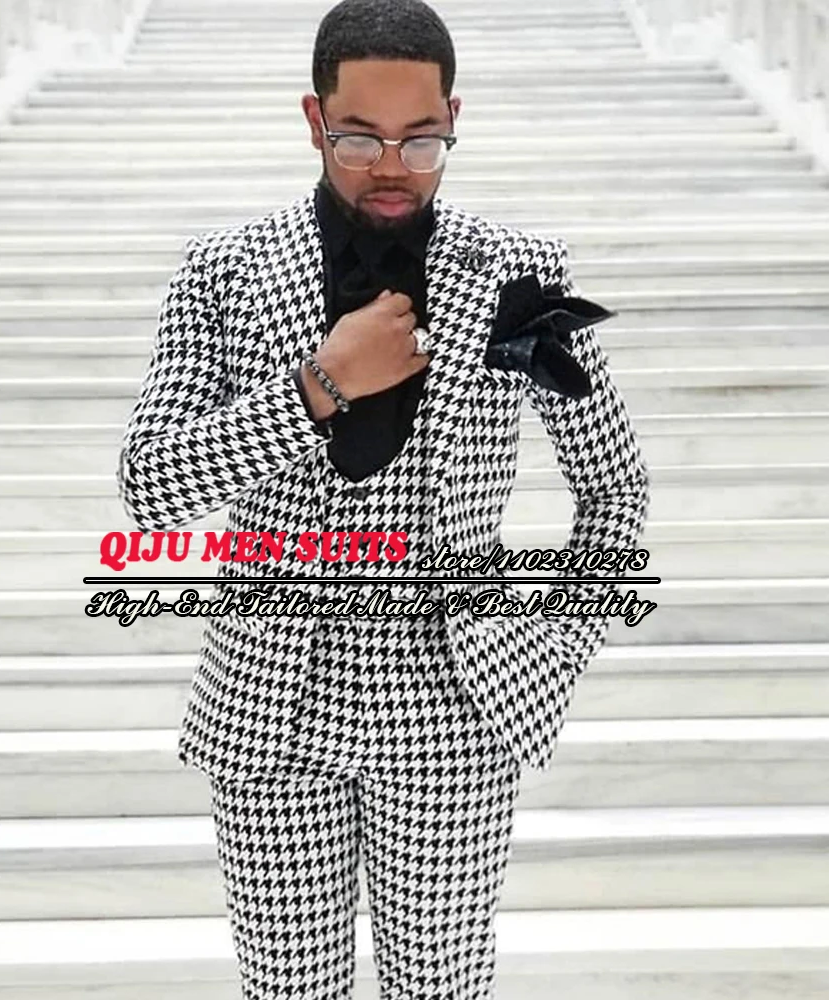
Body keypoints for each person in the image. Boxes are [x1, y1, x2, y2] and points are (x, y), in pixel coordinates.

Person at [117, 1, 651, 996]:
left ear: (453, 118)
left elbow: (612, 485)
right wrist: (318, 387)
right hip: (271, 712)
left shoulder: (517, 275)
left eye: (422, 139)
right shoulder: (225, 270)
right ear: (314, 119)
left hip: (456, 707)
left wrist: (549, 652)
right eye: (360, 139)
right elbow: (150, 484)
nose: (393, 166)